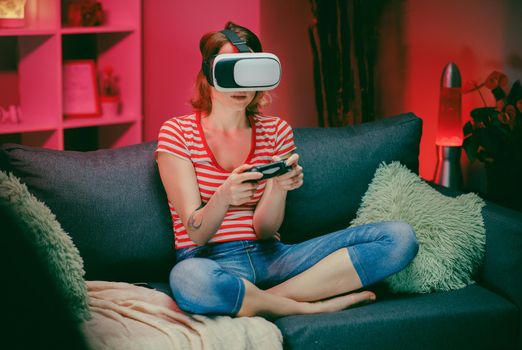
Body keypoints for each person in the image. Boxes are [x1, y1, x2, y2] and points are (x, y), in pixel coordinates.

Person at [155, 21, 419, 319]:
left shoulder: (276, 130)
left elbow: (265, 229)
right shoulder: (178, 132)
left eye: (251, 71)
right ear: (209, 74)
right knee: (189, 279)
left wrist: (279, 187)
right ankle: (307, 306)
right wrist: (224, 196)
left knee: (400, 238)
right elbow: (196, 234)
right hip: (208, 259)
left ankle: (260, 301)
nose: (243, 85)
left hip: (274, 258)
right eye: (231, 71)